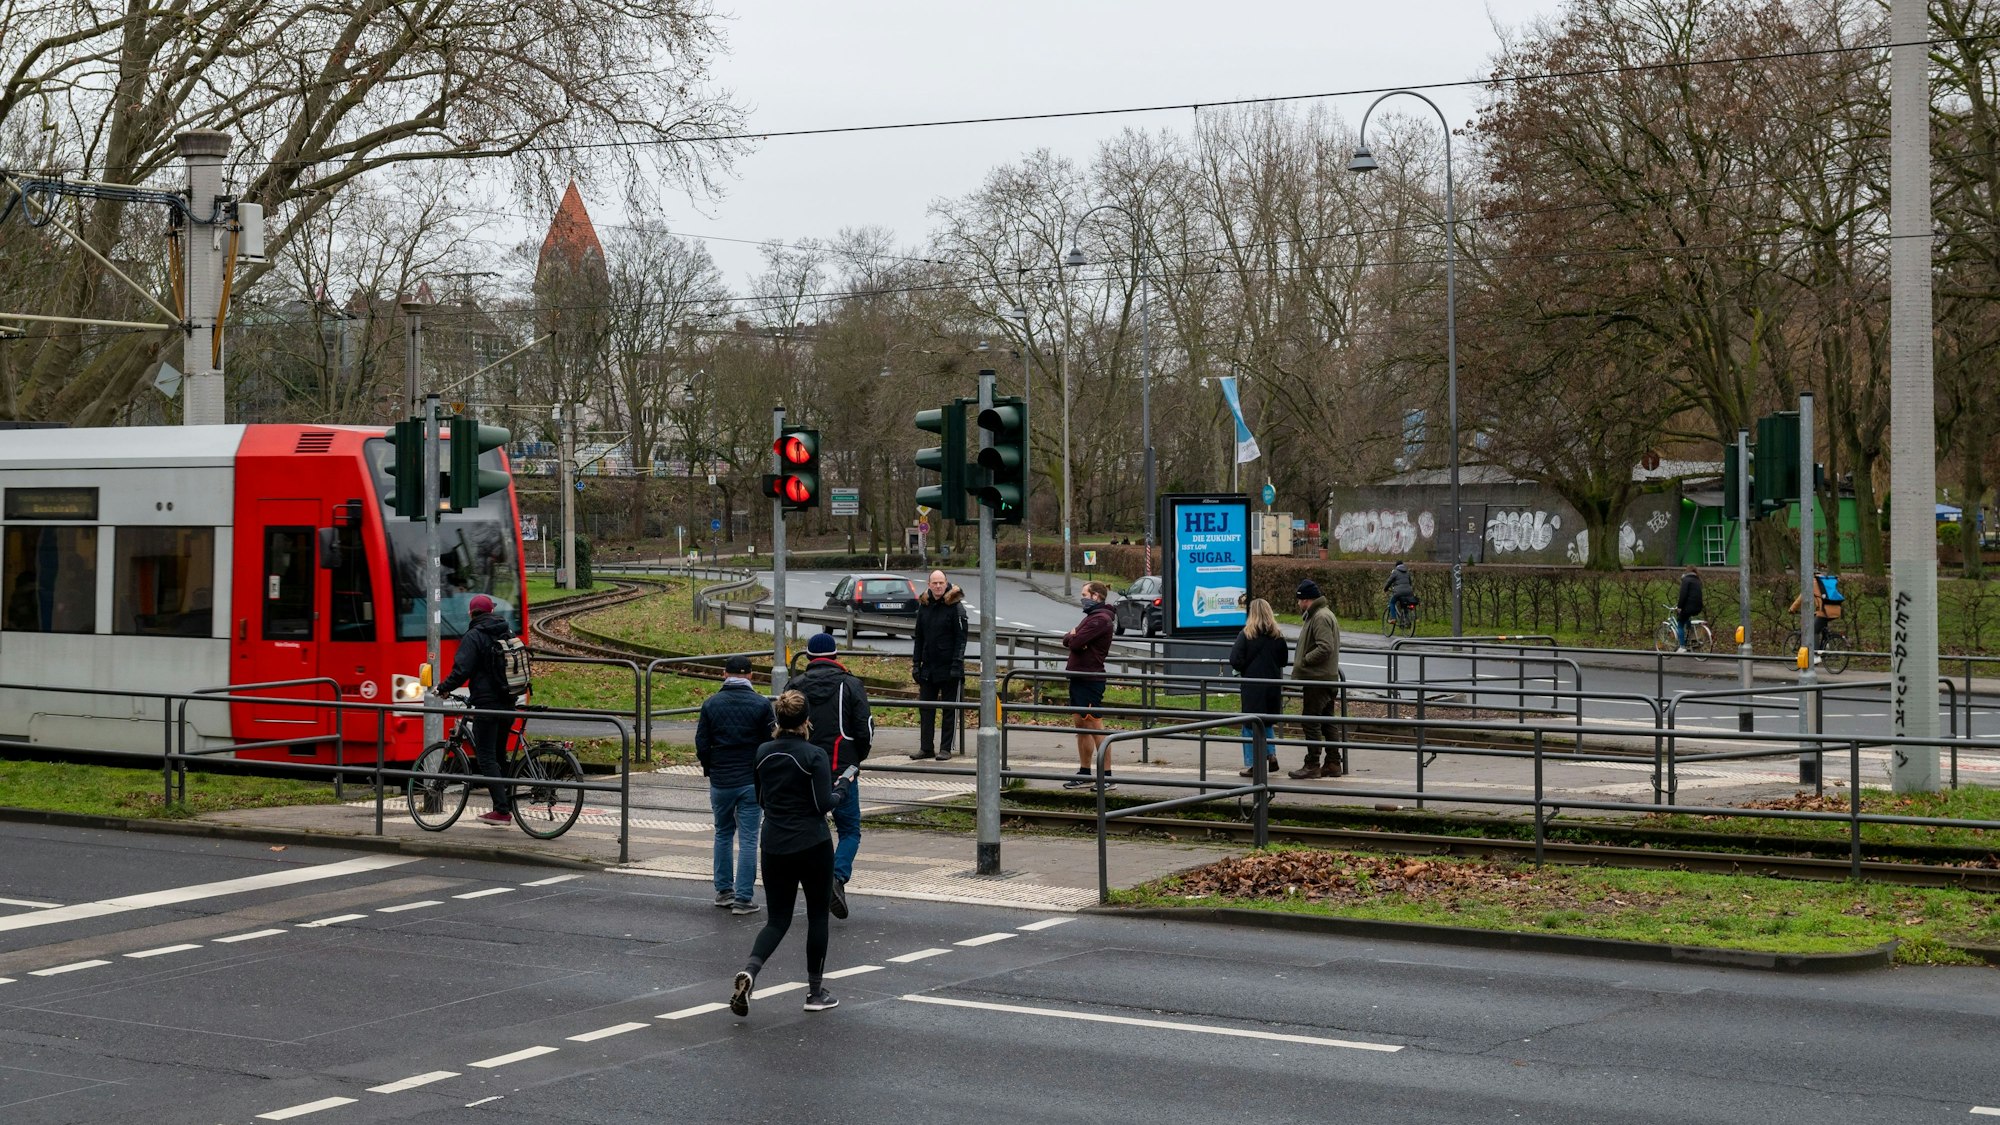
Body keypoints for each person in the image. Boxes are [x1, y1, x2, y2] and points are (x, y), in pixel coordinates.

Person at [730, 690, 855, 1017]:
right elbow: (823, 804)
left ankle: (750, 972)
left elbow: (761, 798)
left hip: (773, 844)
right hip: (812, 844)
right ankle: (815, 993)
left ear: (779, 719)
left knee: (777, 920)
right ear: (806, 720)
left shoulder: (762, 753)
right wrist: (843, 785)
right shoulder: (813, 755)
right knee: (816, 916)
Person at [793, 630, 873, 920]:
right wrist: (856, 759)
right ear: (836, 656)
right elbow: (865, 729)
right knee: (850, 830)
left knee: (813, 828)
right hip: (843, 769)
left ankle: (817, 882)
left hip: (804, 769)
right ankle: (836, 878)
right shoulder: (851, 685)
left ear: (809, 657)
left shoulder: (797, 685)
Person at [695, 655, 775, 915]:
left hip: (721, 779)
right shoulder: (762, 705)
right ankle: (743, 898)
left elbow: (701, 745)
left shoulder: (711, 704)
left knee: (723, 832)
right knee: (750, 838)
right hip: (751, 781)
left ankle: (723, 891)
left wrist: (711, 768)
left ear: (724, 674)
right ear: (751, 675)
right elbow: (768, 744)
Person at [433, 593, 522, 825]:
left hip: (487, 704)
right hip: (509, 702)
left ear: (471, 613)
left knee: (485, 756)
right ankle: (505, 804)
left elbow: (462, 669)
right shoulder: (506, 631)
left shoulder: (474, 636)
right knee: (499, 755)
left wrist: (444, 688)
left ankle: (502, 811)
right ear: (491, 611)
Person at [1061, 581, 1117, 789]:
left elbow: (1074, 642)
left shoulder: (1100, 620)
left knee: (1095, 726)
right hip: (1078, 677)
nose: (1082, 598)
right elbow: (1070, 640)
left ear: (1095, 596)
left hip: (1091, 678)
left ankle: (1107, 776)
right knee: (1081, 726)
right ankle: (1084, 772)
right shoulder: (1091, 618)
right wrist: (1072, 637)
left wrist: (1074, 637)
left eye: (1084, 594)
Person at [909, 570, 969, 762]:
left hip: (949, 666)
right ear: (929, 584)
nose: (937, 586)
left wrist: (956, 664)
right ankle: (926, 747)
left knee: (949, 709)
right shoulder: (924, 606)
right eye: (934, 583)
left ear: (946, 583)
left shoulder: (956, 607)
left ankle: (946, 748)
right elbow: (919, 637)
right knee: (926, 708)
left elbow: (961, 639)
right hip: (929, 667)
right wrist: (916, 664)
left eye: (941, 582)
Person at [1290, 579, 1343, 780]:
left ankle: (1312, 764)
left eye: (1299, 599)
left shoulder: (1319, 617)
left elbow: (1325, 647)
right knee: (1327, 721)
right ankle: (1333, 762)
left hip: (1317, 679)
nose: (1298, 604)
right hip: (1326, 677)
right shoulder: (1324, 614)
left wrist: (1305, 660)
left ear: (1306, 599)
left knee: (1310, 721)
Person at [1229, 598, 1288, 777]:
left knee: (1249, 724)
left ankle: (1254, 764)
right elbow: (1283, 660)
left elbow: (1234, 660)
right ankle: (1271, 754)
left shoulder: (1246, 635)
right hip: (1272, 686)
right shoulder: (1278, 636)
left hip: (1252, 687)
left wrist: (1245, 666)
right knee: (1267, 722)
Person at [1788, 569, 1845, 664]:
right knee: (1820, 625)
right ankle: (1826, 644)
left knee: (1813, 630)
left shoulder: (1812, 583)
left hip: (1825, 611)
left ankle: (1815, 655)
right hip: (1835, 610)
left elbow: (1801, 598)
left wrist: (1792, 609)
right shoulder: (1825, 581)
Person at [1674, 564, 1704, 652]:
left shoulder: (1686, 580)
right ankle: (1692, 640)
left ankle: (1682, 647)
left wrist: (1679, 607)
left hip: (1688, 607)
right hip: (1698, 606)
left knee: (1680, 624)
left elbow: (1683, 595)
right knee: (1687, 620)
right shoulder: (1698, 580)